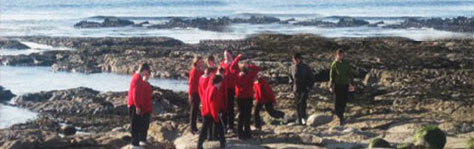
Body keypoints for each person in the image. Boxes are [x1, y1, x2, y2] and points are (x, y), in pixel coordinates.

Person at [229, 54, 260, 139]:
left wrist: (237, 58)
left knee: (241, 116)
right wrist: (249, 64)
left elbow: (231, 67)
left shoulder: (236, 75)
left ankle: (240, 134)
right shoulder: (250, 75)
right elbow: (257, 68)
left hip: (240, 97)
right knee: (247, 115)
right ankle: (247, 133)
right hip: (248, 97)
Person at [127, 63, 153, 149]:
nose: (147, 74)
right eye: (147, 71)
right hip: (134, 105)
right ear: (144, 70)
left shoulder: (138, 78)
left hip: (136, 104)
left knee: (137, 124)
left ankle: (137, 142)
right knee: (135, 125)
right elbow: (135, 94)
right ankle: (134, 144)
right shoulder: (137, 78)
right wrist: (138, 106)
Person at [197, 75, 226, 149]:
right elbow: (212, 104)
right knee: (221, 129)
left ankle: (199, 145)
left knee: (204, 130)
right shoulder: (214, 89)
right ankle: (223, 145)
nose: (221, 84)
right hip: (211, 113)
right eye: (220, 82)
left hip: (206, 112)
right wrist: (215, 116)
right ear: (219, 82)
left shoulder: (208, 87)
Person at [329, 49, 354, 126]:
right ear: (337, 55)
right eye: (339, 55)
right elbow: (331, 75)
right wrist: (330, 85)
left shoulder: (346, 63)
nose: (341, 56)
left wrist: (352, 83)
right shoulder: (334, 64)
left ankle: (341, 115)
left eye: (342, 55)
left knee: (344, 100)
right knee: (337, 101)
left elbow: (350, 73)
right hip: (337, 84)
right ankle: (338, 115)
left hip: (345, 84)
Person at [289, 53, 315, 125]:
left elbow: (312, 78)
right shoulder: (291, 68)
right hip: (296, 89)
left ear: (300, 59)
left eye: (297, 59)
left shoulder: (306, 67)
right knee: (297, 104)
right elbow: (290, 78)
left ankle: (303, 117)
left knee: (302, 103)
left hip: (304, 88)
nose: (296, 61)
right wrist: (291, 87)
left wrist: (309, 87)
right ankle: (299, 119)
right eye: (294, 59)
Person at [219, 49, 237, 133]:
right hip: (223, 88)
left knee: (230, 107)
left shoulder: (234, 64)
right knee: (223, 107)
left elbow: (235, 74)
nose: (226, 56)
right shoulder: (221, 64)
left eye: (227, 54)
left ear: (230, 55)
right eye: (225, 54)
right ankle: (224, 126)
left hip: (231, 88)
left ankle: (231, 126)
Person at [188, 55, 204, 134]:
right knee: (193, 110)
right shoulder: (194, 71)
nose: (200, 63)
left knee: (196, 109)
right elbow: (191, 83)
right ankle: (192, 128)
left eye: (201, 62)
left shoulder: (200, 71)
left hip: (199, 92)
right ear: (196, 62)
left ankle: (194, 127)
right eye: (199, 62)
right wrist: (190, 94)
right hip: (194, 92)